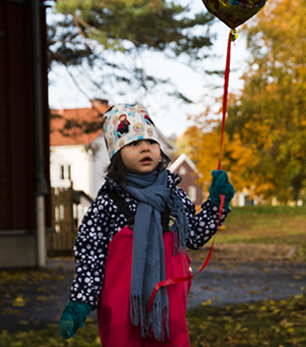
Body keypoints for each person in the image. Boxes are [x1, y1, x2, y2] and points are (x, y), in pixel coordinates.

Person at [59, 104, 235, 346]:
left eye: (151, 142)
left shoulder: (172, 194)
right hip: (122, 307)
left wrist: (216, 203)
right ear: (116, 154)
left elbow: (194, 235)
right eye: (133, 143)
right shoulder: (108, 202)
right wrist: (81, 301)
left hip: (168, 307)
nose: (145, 147)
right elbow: (91, 256)